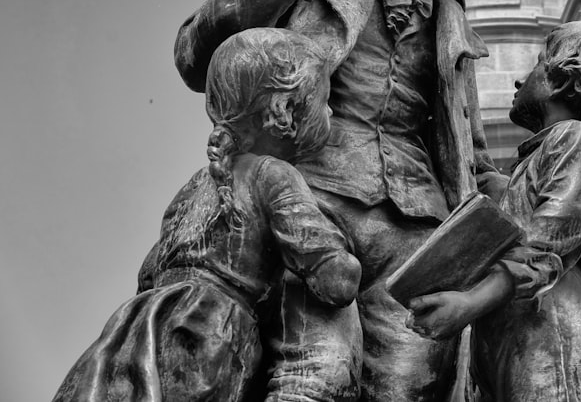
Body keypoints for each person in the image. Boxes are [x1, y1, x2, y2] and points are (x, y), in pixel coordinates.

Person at [174, 0, 504, 401]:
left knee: (409, 393)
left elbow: (467, 144)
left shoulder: (451, 1)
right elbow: (197, 54)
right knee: (316, 380)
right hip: (310, 196)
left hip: (419, 236)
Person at [53, 28, 362, 402]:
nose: (330, 112)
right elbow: (336, 281)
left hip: (133, 333)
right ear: (284, 111)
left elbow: (149, 274)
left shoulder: (195, 184)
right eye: (325, 101)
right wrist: (349, 254)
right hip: (205, 338)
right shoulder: (273, 176)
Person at [408, 20, 581, 402]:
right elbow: (476, 169)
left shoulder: (577, 138)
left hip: (552, 333)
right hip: (516, 334)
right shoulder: (531, 169)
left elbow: (547, 246)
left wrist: (469, 303)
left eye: (537, 64)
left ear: (562, 80)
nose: (520, 80)